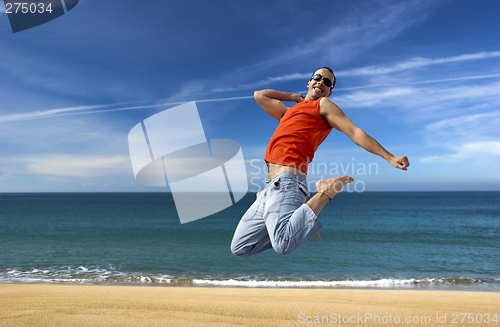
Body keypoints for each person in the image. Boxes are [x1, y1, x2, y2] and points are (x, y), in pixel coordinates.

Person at [231, 67, 409, 257]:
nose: (321, 83)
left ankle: (325, 192)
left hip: (288, 181)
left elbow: (354, 132)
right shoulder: (288, 113)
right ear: (309, 82)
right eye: (317, 78)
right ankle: (302, 222)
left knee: (282, 245)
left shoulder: (322, 105)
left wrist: (389, 157)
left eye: (327, 82)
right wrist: (295, 97)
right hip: (269, 189)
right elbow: (260, 95)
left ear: (330, 91)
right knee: (241, 247)